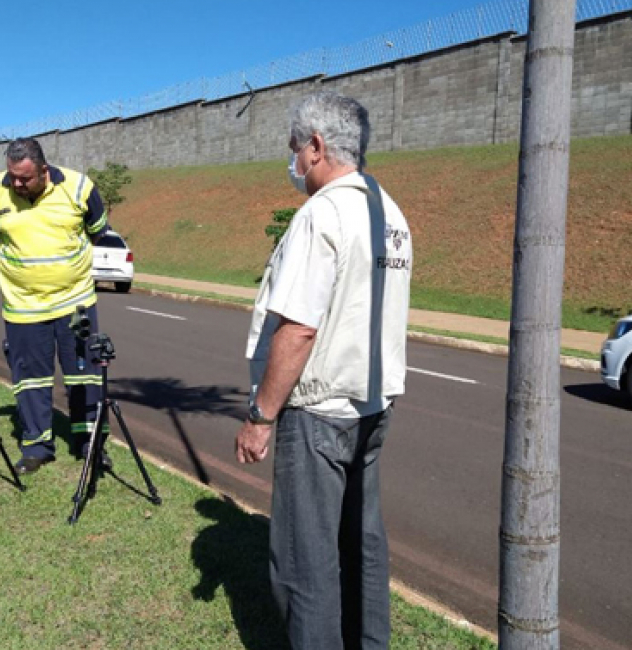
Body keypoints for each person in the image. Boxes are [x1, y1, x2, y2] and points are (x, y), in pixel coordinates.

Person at [235, 92, 412, 650]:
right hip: (372, 405)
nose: (293, 162)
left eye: (295, 149)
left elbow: (299, 329)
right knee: (361, 547)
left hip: (318, 413)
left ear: (316, 146)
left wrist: (261, 416)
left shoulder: (323, 214)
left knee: (303, 563)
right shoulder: (391, 213)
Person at [0, 137, 111, 474]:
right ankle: (36, 446)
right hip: (24, 308)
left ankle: (89, 446)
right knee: (31, 380)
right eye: (12, 177)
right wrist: (26, 274)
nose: (16, 184)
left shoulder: (79, 187)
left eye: (24, 178)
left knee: (85, 377)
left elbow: (96, 232)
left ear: (44, 170)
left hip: (76, 303)